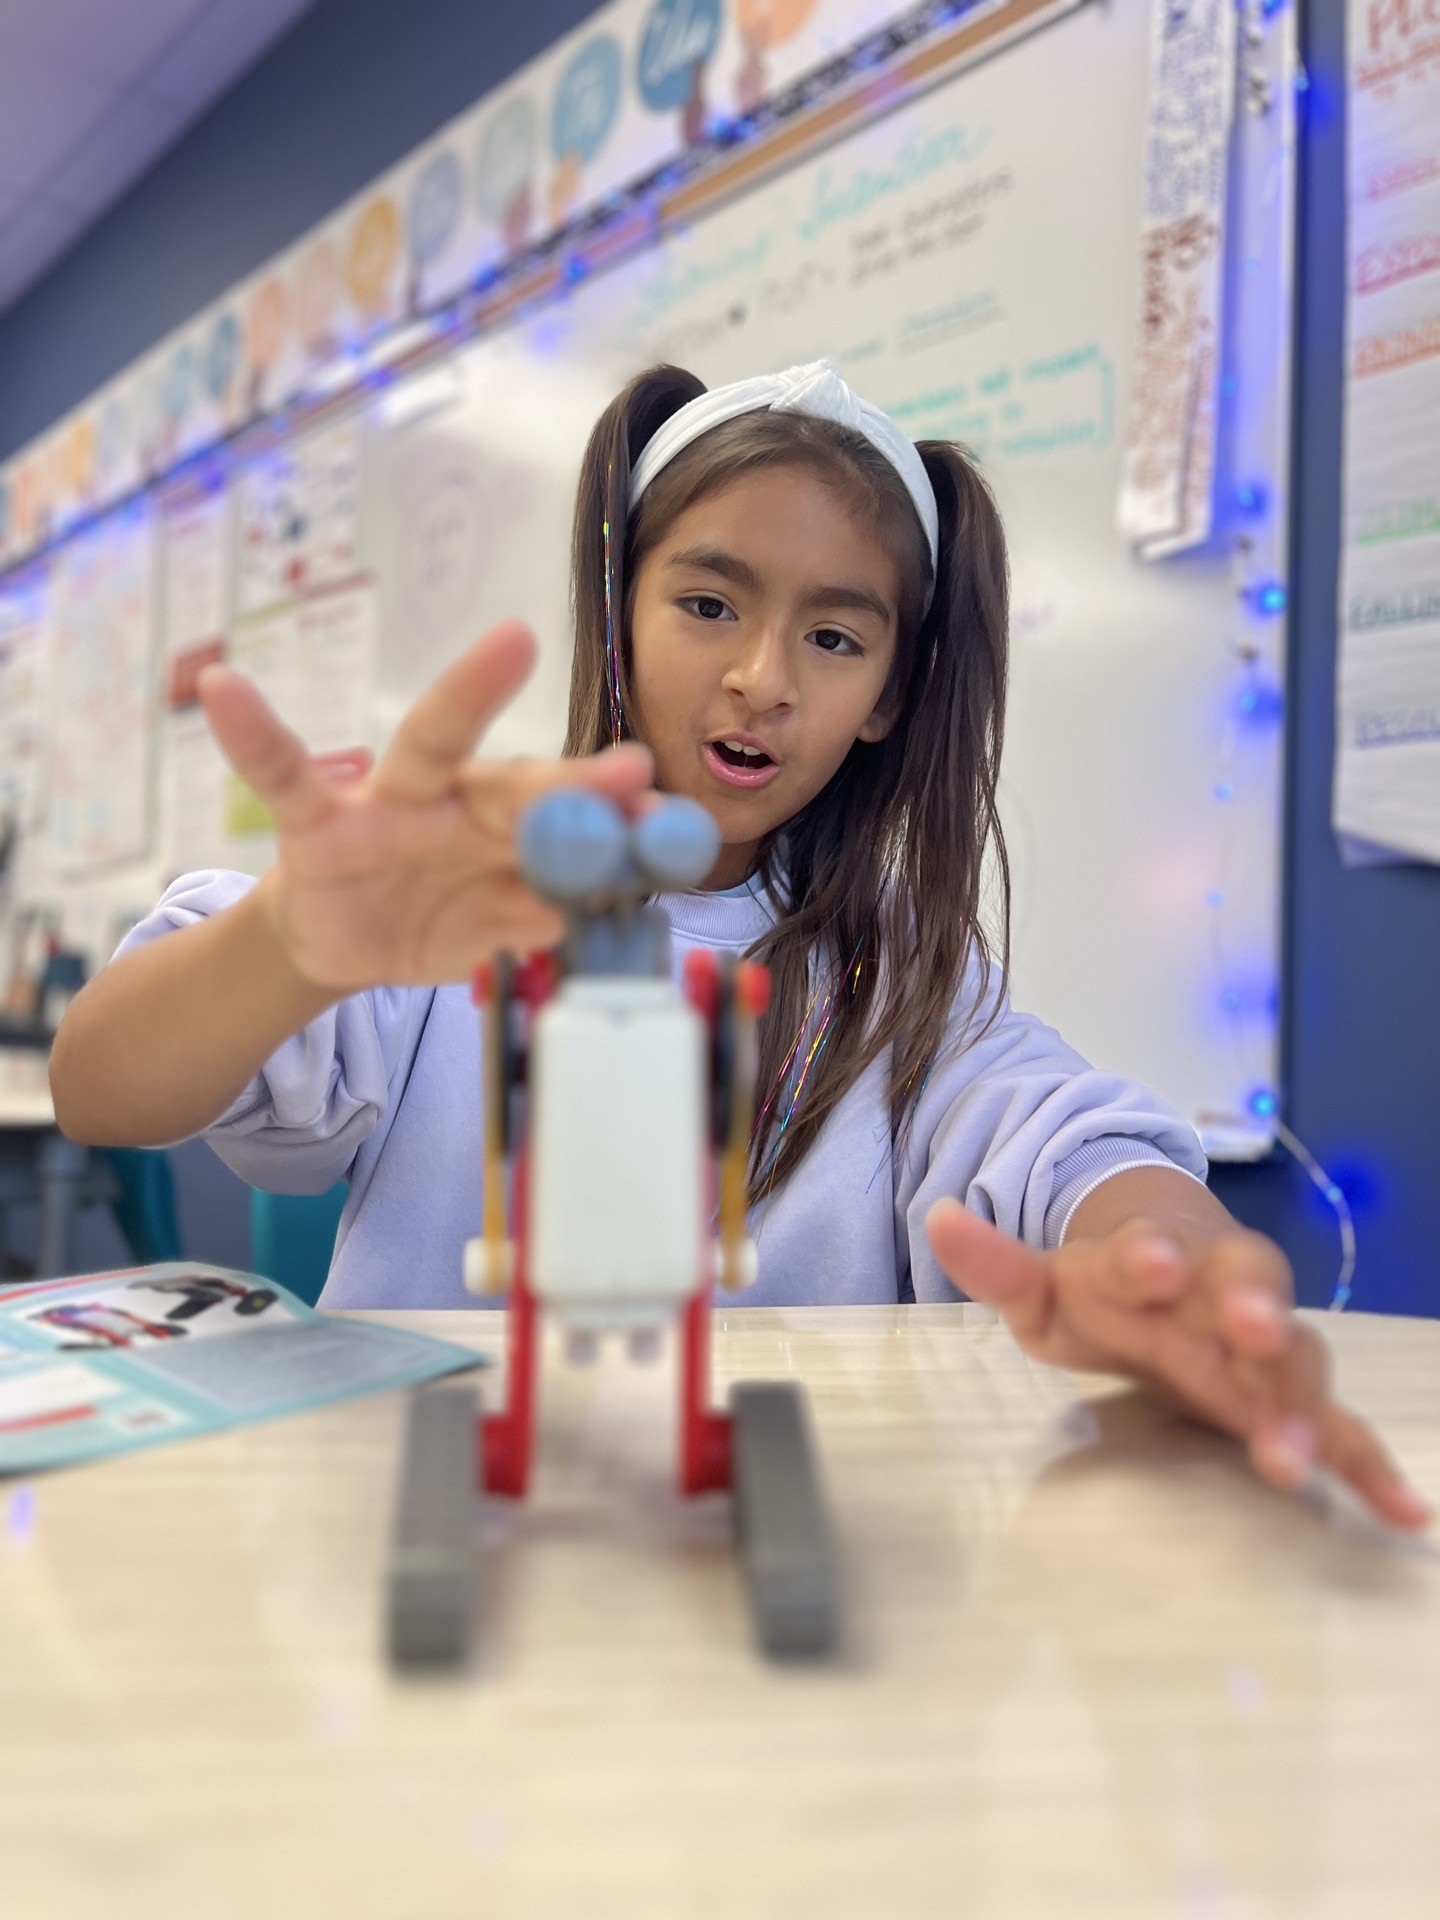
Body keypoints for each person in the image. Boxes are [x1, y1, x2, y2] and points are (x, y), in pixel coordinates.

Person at [50, 361, 1428, 1530]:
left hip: (753, 1553)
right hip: (435, 1528)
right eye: (708, 605)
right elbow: (101, 1086)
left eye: (832, 636)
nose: (762, 678)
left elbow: (1068, 1147)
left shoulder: (907, 987)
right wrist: (290, 943)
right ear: (620, 609)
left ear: (889, 695)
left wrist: (1168, 1264)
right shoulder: (448, 898)